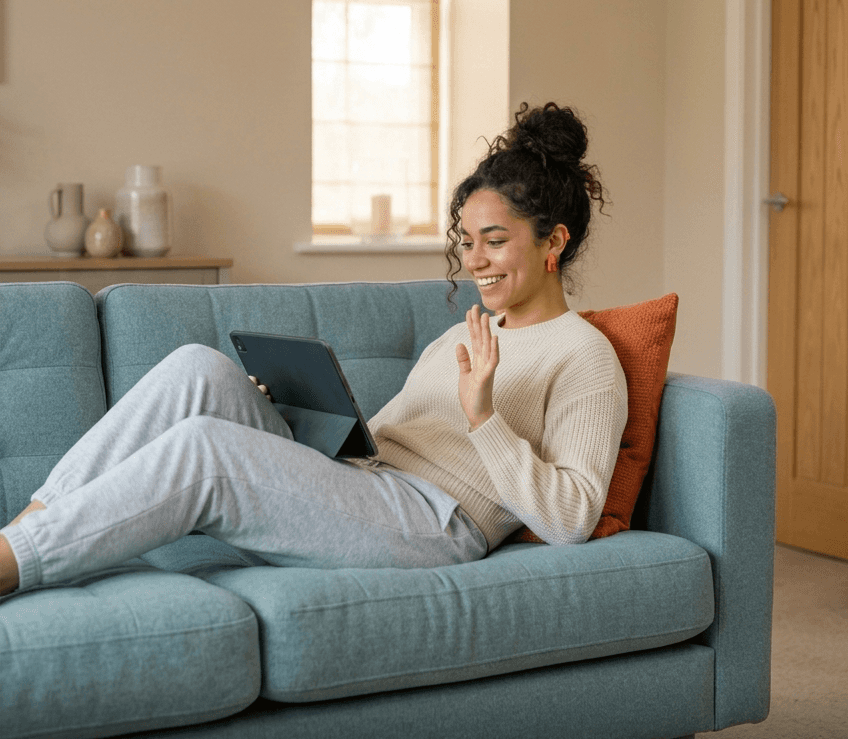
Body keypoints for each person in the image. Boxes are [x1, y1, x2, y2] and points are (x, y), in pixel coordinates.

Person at [0, 102, 627, 598]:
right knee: (201, 369)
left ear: (555, 241)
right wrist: (309, 425)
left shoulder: (584, 356)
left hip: (436, 524)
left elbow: (570, 517)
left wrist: (485, 417)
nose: (475, 262)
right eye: (467, 242)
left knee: (206, 451)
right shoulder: (465, 330)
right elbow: (393, 438)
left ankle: (11, 564)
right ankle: (27, 527)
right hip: (370, 485)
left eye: (494, 241)